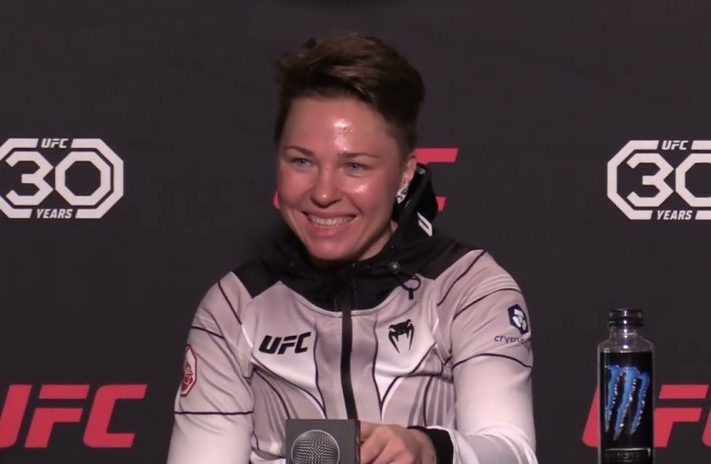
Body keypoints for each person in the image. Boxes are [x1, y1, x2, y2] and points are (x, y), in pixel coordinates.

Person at [167, 32, 537, 464]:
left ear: (405, 173)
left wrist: (426, 448)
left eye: (355, 166)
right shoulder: (233, 308)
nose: (323, 193)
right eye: (301, 161)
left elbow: (512, 452)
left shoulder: (469, 288)